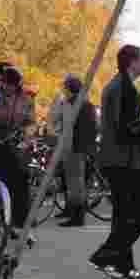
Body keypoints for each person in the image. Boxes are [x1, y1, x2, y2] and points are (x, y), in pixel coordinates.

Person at [89, 46, 140, 279]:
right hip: (123, 160)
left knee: (124, 213)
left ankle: (123, 266)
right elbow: (126, 129)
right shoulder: (124, 89)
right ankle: (105, 256)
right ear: (132, 62)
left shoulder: (117, 86)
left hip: (115, 158)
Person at [0, 65, 34, 229]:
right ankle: (2, 217)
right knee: (0, 181)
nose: (7, 87)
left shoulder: (26, 100)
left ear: (17, 85)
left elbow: (30, 123)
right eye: (5, 83)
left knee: (20, 183)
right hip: (0, 144)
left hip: (18, 145)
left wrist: (26, 140)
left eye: (10, 84)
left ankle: (21, 219)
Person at [54, 75, 99, 228]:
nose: (63, 91)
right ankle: (74, 213)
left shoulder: (72, 104)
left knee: (76, 184)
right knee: (75, 183)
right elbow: (94, 128)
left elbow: (65, 125)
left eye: (65, 88)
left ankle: (77, 217)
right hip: (79, 148)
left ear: (69, 89)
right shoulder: (87, 105)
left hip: (74, 148)